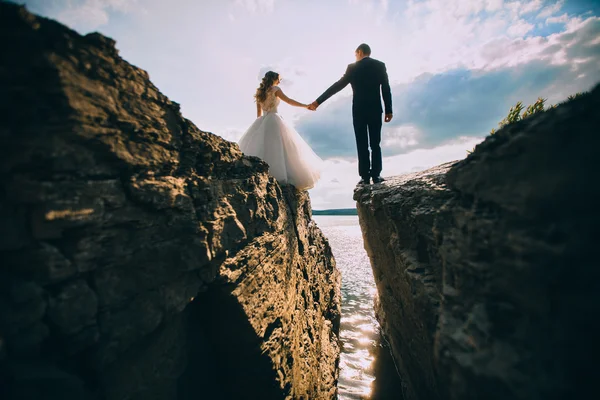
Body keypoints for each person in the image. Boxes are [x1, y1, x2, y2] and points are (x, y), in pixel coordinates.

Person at [309, 43, 392, 185]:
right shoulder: (380, 65)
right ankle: (376, 175)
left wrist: (318, 102)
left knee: (362, 143)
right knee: (375, 143)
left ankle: (365, 177)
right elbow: (385, 88)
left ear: (359, 52)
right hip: (375, 109)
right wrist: (388, 109)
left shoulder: (352, 68)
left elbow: (337, 86)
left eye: (355, 54)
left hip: (359, 110)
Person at [238, 71, 322, 190]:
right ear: (274, 79)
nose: (280, 81)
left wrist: (260, 126)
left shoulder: (259, 92)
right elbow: (289, 101)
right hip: (274, 119)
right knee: (279, 148)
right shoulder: (275, 89)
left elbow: (258, 114)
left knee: (263, 147)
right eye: (279, 79)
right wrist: (305, 106)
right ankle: (279, 176)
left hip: (263, 121)